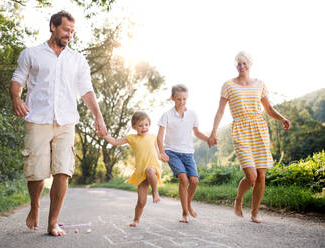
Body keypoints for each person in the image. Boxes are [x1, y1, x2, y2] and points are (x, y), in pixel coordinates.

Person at [9, 10, 107, 236]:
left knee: (63, 170)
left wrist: (98, 117)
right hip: (37, 118)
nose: (69, 35)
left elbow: (86, 90)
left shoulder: (77, 59)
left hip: (66, 121)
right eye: (65, 30)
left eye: (72, 32)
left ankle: (53, 222)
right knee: (36, 172)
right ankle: (35, 206)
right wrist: (16, 98)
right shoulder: (31, 54)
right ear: (53, 27)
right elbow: (17, 80)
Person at [208, 51, 291, 223]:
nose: (241, 66)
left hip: (259, 129)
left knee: (261, 174)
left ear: (250, 64)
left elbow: (268, 109)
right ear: (235, 65)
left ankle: (254, 213)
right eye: (238, 63)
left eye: (244, 63)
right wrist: (213, 132)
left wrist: (282, 118)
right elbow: (221, 111)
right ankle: (238, 199)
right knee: (251, 176)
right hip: (240, 129)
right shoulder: (228, 85)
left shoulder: (260, 84)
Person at [157, 84, 209, 223]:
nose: (182, 102)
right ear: (172, 98)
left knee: (194, 181)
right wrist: (161, 152)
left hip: (188, 153)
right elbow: (159, 136)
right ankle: (185, 213)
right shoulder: (166, 115)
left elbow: (197, 133)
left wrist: (208, 139)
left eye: (184, 99)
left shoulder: (192, 114)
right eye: (179, 99)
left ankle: (188, 203)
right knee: (184, 179)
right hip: (172, 152)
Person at [103, 111, 162, 227]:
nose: (144, 128)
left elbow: (158, 152)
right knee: (141, 201)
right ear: (134, 127)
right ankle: (136, 219)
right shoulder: (132, 138)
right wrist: (104, 135)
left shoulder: (153, 137)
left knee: (150, 170)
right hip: (141, 172)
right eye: (140, 125)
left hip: (153, 168)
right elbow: (115, 142)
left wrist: (162, 156)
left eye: (146, 124)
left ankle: (155, 192)